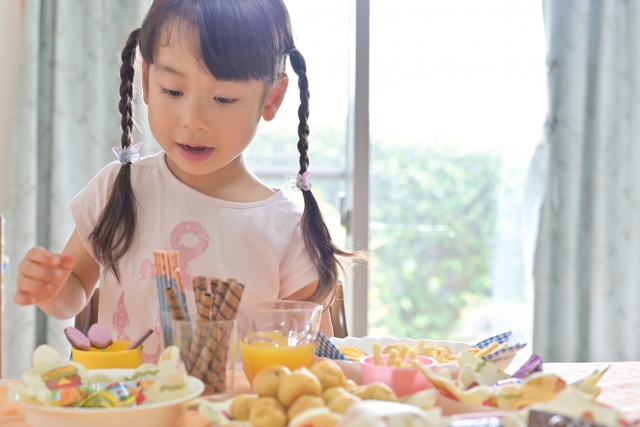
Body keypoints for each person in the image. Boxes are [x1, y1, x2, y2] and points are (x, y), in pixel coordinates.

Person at [13, 0, 359, 362]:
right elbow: (76, 289)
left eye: (224, 98)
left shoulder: (287, 230)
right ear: (146, 82)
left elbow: (317, 358)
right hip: (130, 410)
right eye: (173, 92)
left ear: (271, 99)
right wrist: (50, 288)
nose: (193, 120)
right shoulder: (121, 187)